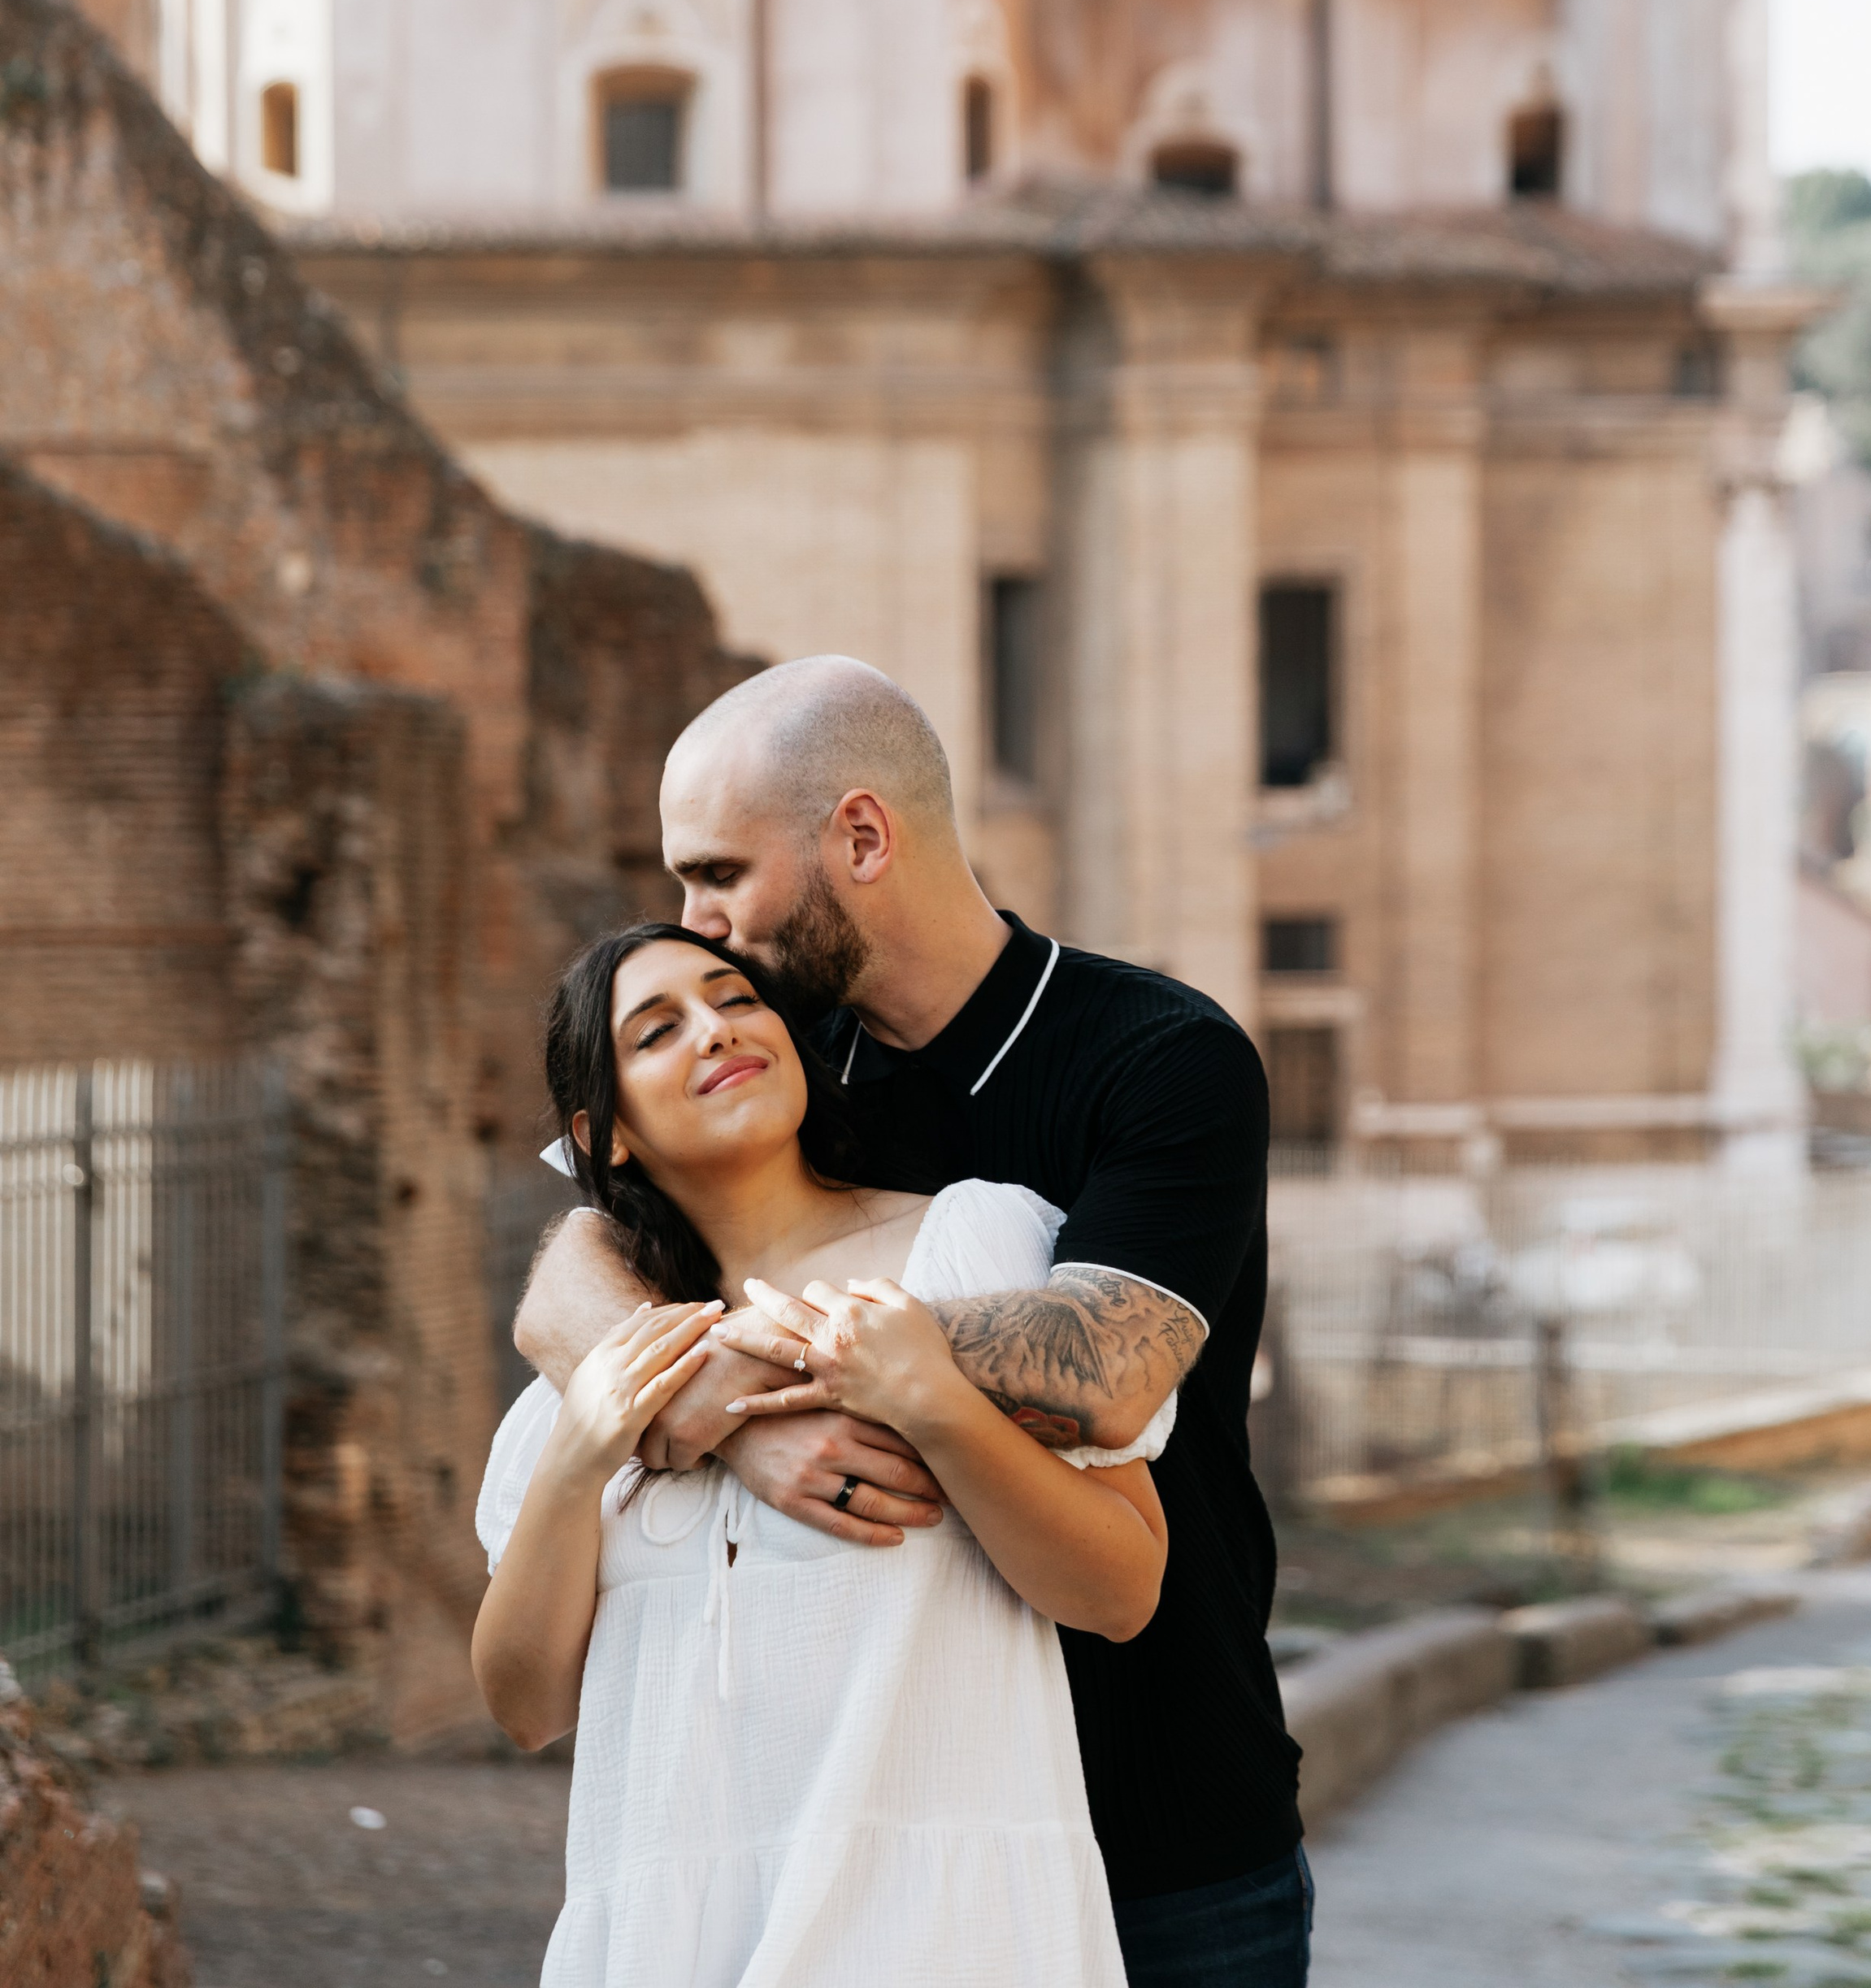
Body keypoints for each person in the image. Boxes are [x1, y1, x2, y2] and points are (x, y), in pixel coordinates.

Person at [517, 658, 1309, 1988]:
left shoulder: (1160, 1060)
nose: (696, 926)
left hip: (1162, 1813)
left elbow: (1105, 1372)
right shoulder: (775, 1049)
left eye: (719, 875)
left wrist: (768, 1367)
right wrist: (709, 1414)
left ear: (862, 839)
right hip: (880, 1842)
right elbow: (572, 1259)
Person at [475, 917, 1170, 1986]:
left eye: (735, 998)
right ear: (601, 1133)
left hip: (945, 1940)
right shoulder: (591, 1369)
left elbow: (1121, 1590)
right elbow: (526, 1706)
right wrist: (589, 1446)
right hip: (667, 1952)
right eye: (657, 1031)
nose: (714, 1029)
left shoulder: (973, 1248)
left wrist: (937, 1402)